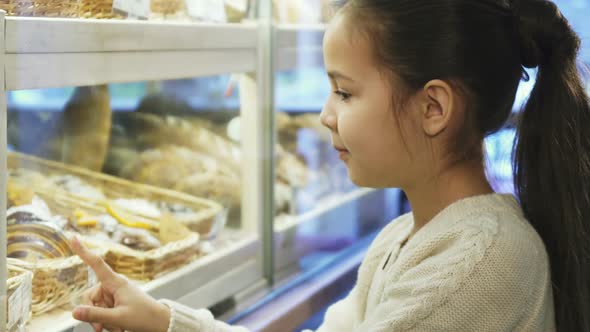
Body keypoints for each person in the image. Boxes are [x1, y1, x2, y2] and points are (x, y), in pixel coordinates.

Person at [71, 0, 590, 331]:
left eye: (344, 91)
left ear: (433, 108)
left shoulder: (481, 266)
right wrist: (163, 320)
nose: (324, 113)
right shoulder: (401, 240)